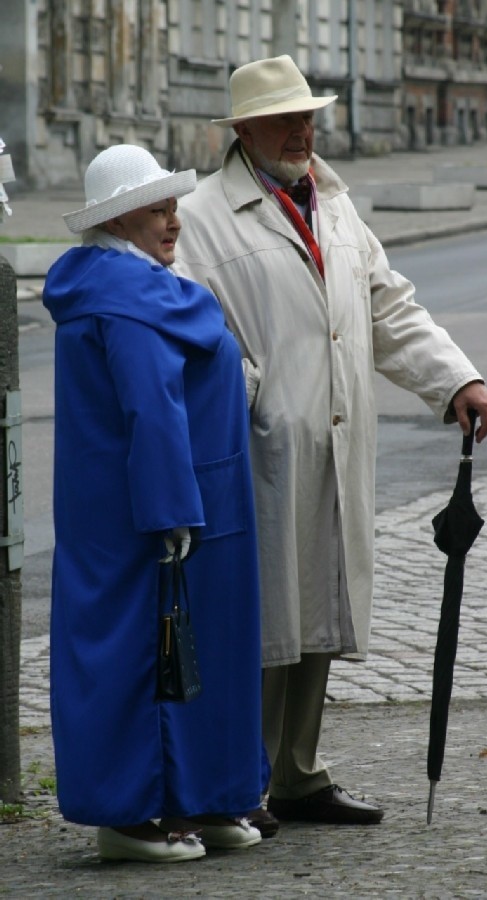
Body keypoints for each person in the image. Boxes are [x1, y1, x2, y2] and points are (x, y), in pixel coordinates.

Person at [173, 54, 487, 828]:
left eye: (308, 115)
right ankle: (241, 779)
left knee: (320, 603)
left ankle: (298, 772)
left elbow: (388, 306)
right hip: (258, 445)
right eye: (285, 118)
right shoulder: (204, 216)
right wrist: (257, 400)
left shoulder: (334, 206)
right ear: (243, 130)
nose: (302, 129)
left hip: (336, 437)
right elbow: (193, 332)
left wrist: (453, 379)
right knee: (262, 615)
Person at [43, 144, 265, 862]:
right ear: (120, 218)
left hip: (197, 500)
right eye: (158, 208)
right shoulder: (125, 297)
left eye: (172, 206)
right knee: (144, 656)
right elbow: (151, 411)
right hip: (152, 513)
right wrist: (171, 513)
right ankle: (133, 815)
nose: (174, 220)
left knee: (203, 652)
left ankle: (207, 795)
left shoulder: (138, 284)